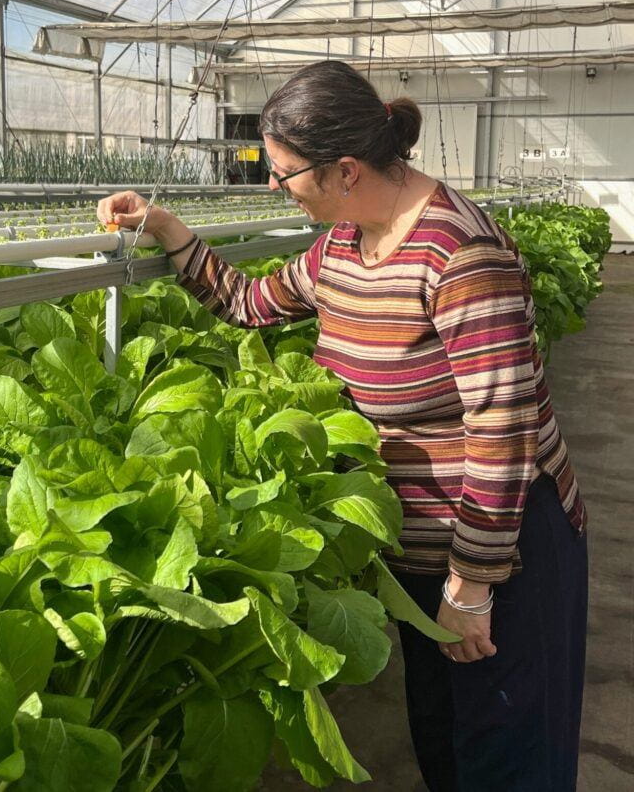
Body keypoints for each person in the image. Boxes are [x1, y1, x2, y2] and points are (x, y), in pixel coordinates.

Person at [95, 60, 589, 792]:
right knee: (446, 744)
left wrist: (473, 585)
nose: (275, 186)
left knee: (508, 755)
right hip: (418, 549)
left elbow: (502, 431)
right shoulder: (344, 245)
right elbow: (251, 304)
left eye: (286, 173)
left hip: (503, 549)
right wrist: (167, 227)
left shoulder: (460, 254)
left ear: (347, 170)